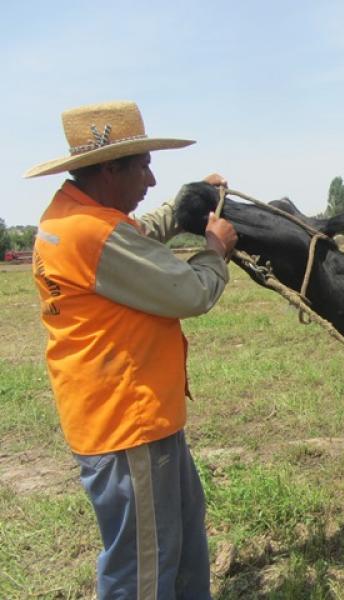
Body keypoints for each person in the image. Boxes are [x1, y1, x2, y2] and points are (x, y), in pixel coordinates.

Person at [25, 100, 238, 599]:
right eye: (142, 164)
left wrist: (188, 202)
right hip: (129, 425)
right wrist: (214, 250)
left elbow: (136, 235)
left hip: (134, 418)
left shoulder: (74, 218)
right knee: (144, 570)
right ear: (108, 168)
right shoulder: (93, 234)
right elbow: (189, 292)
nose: (151, 179)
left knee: (178, 547)